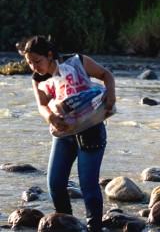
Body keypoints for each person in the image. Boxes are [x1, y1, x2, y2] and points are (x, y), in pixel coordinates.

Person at [16, 35, 116, 232]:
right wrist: (51, 118)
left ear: (50, 55)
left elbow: (106, 75)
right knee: (55, 183)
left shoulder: (77, 61)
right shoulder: (38, 78)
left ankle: (94, 227)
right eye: (29, 63)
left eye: (37, 61)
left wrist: (110, 95)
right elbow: (42, 105)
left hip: (91, 130)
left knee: (88, 187)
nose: (34, 67)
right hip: (63, 133)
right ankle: (68, 225)